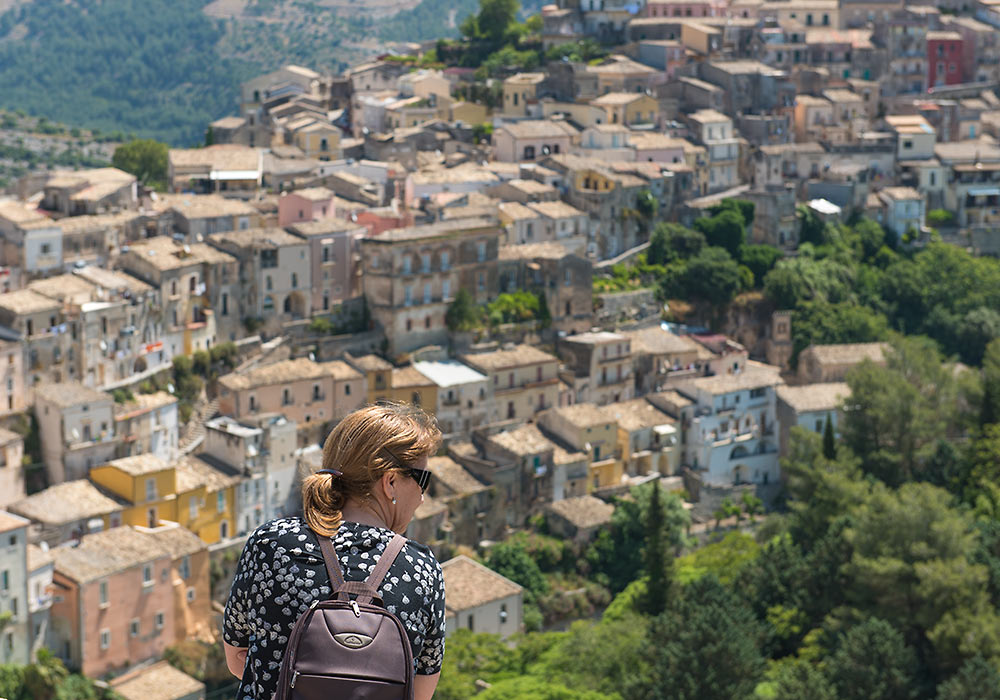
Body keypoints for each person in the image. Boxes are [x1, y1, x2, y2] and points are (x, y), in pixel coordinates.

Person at [222, 403, 446, 700]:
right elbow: (418, 692)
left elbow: (238, 655)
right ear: (390, 482)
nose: (421, 496)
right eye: (422, 481)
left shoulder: (271, 544)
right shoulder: (422, 570)